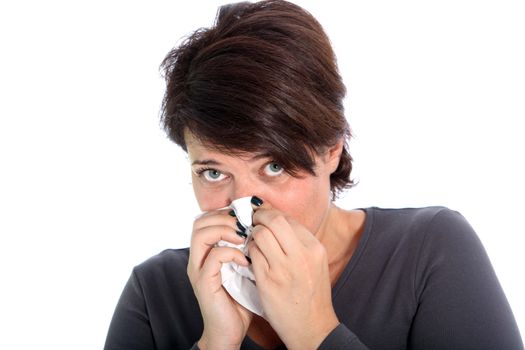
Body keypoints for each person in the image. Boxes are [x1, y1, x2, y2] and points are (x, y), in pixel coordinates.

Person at [104, 1, 523, 349]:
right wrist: (215, 343)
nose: (242, 208)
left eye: (274, 166)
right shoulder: (154, 293)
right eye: (213, 172)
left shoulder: (429, 250)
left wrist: (316, 332)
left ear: (332, 150)